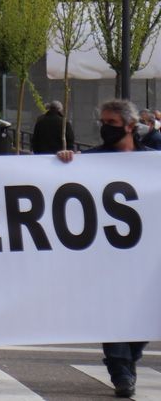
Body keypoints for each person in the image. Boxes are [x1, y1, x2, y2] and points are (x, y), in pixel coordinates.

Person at [56, 99, 150, 398]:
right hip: (107, 255)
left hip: (146, 255)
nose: (105, 129)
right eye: (103, 123)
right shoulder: (93, 160)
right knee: (113, 311)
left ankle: (130, 357)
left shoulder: (152, 160)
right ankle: (120, 369)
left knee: (146, 313)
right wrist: (65, 160)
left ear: (130, 126)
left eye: (112, 123)